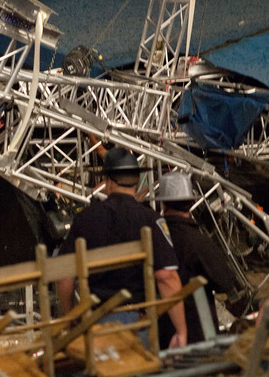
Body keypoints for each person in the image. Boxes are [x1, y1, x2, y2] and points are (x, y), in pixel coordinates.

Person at [56, 147, 188, 349]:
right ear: (136, 181)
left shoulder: (85, 219)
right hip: (137, 322)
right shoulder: (151, 220)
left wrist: (71, 316)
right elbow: (166, 277)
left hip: (95, 321)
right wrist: (181, 331)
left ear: (108, 181)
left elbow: (64, 277)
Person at [154, 172, 239, 345]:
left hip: (162, 331)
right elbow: (226, 281)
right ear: (192, 203)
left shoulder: (156, 237)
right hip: (198, 332)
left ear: (163, 204)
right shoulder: (196, 240)